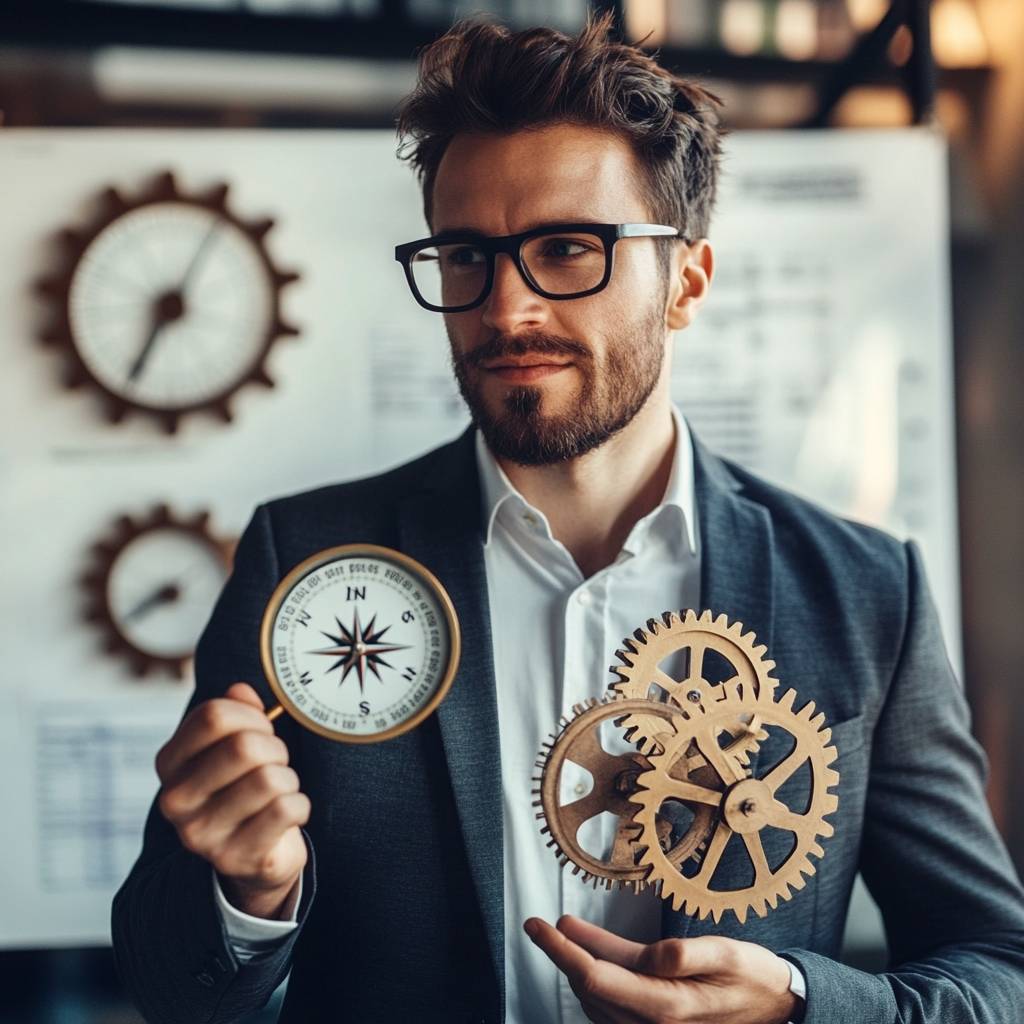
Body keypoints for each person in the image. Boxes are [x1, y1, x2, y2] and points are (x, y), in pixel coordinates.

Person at [111, 14, 1024, 1024]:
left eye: (566, 248)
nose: (505, 309)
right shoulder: (308, 561)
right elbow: (167, 984)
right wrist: (251, 895)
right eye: (466, 256)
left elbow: (996, 966)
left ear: (685, 280)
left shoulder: (864, 592)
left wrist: (801, 1002)